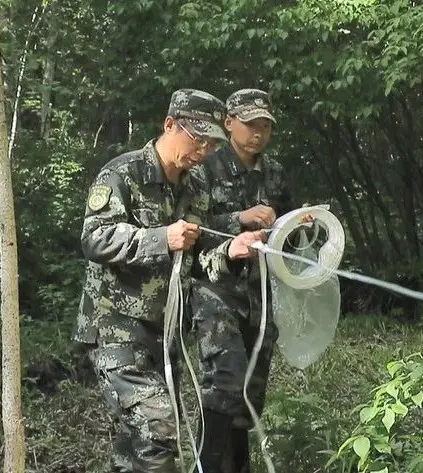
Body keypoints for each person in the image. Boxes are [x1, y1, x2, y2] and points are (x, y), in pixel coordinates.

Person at [72, 88, 266, 473]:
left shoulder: (193, 189)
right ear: (169, 125)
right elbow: (94, 237)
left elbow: (198, 256)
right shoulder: (122, 173)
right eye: (197, 138)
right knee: (158, 434)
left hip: (164, 336)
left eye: (212, 144)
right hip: (115, 331)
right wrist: (161, 238)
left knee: (135, 451)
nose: (203, 151)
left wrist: (230, 251)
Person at [186, 89, 295, 473]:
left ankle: (237, 465)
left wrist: (297, 225)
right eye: (251, 125)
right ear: (229, 123)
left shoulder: (275, 172)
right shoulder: (203, 168)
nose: (259, 134)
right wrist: (239, 220)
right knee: (226, 377)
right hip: (216, 286)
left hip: (259, 292)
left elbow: (285, 225)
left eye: (266, 126)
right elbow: (189, 227)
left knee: (249, 391)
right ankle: (208, 465)